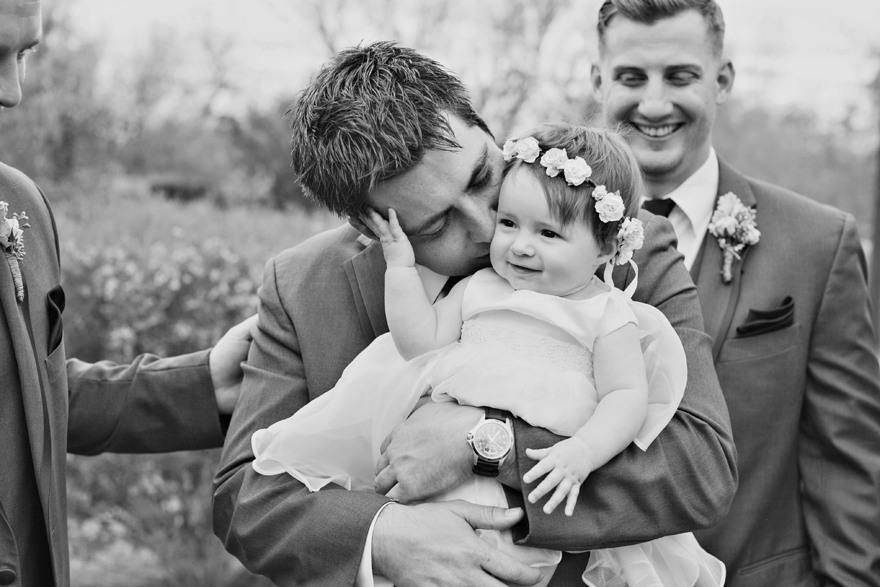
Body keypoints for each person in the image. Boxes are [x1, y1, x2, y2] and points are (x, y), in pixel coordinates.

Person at [214, 42, 737, 587]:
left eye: (483, 176)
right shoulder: (301, 285)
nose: (492, 231)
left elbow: (698, 468)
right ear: (373, 231)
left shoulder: (616, 240)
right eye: (437, 226)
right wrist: (385, 536)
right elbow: (248, 499)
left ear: (486, 130)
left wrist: (489, 445)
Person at [590, 1, 880, 585]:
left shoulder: (818, 245)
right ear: (598, 81)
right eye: (630, 77)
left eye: (679, 76)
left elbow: (848, 470)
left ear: (722, 80)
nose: (653, 104)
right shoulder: (530, 238)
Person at [1, 2, 255, 586]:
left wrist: (203, 385)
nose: (12, 92)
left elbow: (32, 399)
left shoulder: (22, 206)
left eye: (23, 54)